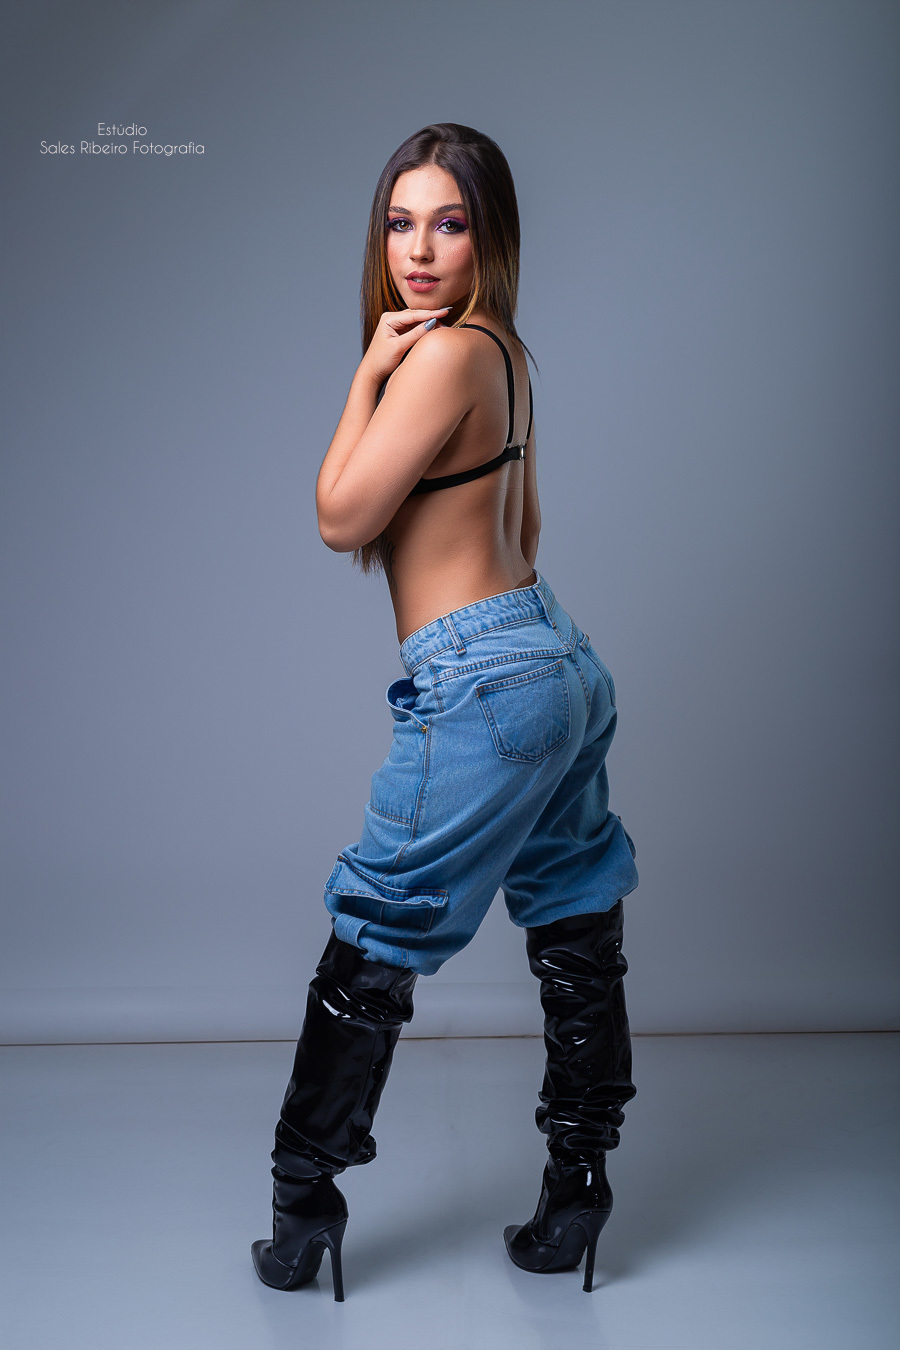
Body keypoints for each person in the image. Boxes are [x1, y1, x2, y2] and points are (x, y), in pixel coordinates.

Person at [251, 122, 638, 1301]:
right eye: (400, 223)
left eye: (449, 223)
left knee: (375, 930)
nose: (418, 250)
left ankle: (303, 1208)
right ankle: (578, 1192)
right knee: (575, 919)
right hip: (556, 654)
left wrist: (365, 377)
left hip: (484, 678)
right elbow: (529, 522)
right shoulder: (504, 350)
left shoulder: (435, 359)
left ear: (489, 235)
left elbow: (340, 517)